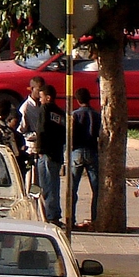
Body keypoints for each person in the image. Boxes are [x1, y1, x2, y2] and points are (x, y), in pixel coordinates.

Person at [67, 88, 101, 225]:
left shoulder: (74, 115)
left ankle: (71, 218)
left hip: (77, 152)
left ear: (77, 100)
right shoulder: (96, 115)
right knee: (96, 188)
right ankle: (95, 218)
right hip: (92, 151)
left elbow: (71, 135)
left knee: (73, 187)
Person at [35, 82, 66, 224]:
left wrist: (39, 149)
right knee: (54, 184)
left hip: (46, 152)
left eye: (41, 97)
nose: (40, 100)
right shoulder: (60, 112)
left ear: (48, 98)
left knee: (46, 185)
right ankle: (53, 213)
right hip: (57, 153)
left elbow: (41, 129)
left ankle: (50, 215)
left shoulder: (45, 109)